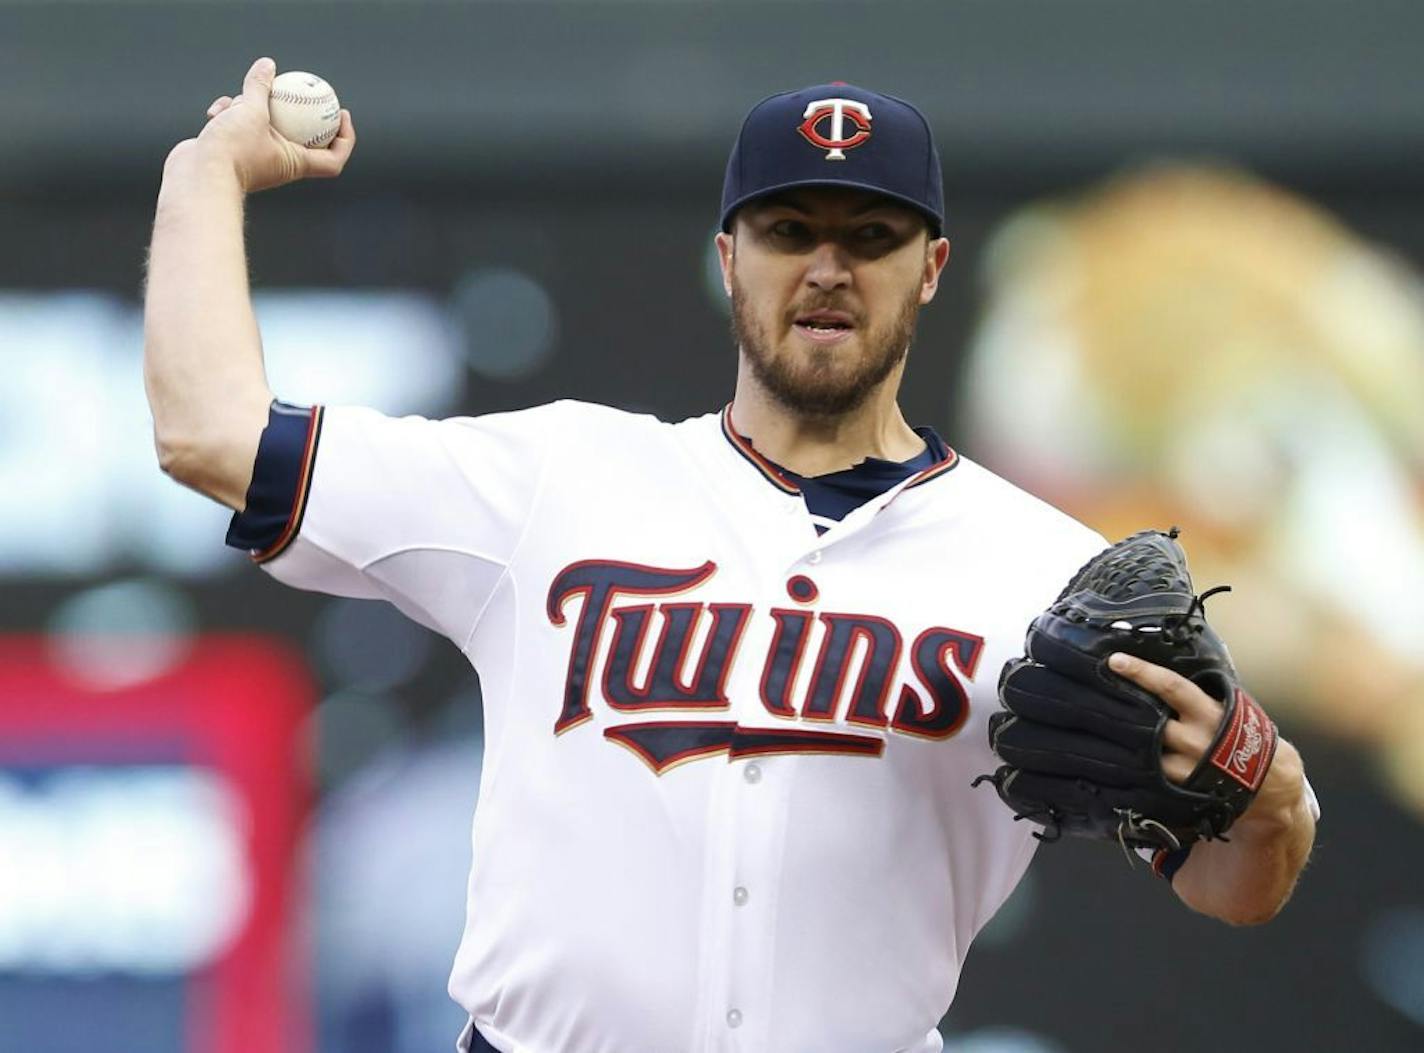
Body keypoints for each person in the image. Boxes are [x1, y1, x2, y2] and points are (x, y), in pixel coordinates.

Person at [144, 58, 1317, 1053]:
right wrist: (202, 175)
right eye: (787, 229)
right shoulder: (556, 479)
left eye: (870, 234)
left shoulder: (1042, 571)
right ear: (727, 257)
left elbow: (1233, 884)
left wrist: (1267, 798)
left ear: (930, 268)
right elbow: (212, 435)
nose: (825, 265)